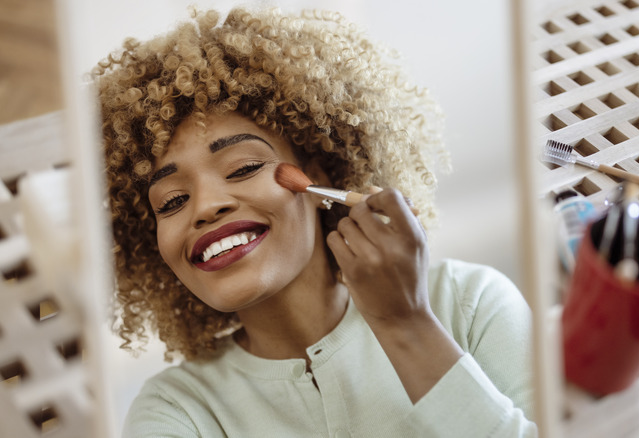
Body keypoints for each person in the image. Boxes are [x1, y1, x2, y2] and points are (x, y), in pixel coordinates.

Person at [94, 6, 536, 437]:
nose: (206, 207)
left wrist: (407, 324)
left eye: (244, 167)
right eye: (171, 201)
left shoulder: (468, 304)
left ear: (320, 176)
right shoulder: (177, 411)